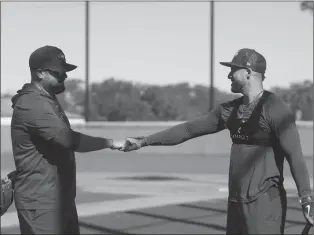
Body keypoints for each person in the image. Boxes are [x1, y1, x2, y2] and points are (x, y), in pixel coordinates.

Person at [120, 48, 313, 234]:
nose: (228, 75)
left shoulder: (275, 108)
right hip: (236, 203)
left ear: (248, 72)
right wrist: (143, 141)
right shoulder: (228, 110)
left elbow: (295, 156)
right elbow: (188, 129)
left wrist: (306, 199)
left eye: (232, 70)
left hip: (264, 204)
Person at [10, 45, 124, 234]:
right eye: (58, 72)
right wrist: (110, 143)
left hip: (59, 198)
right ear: (39, 73)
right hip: (41, 202)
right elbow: (68, 140)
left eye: (65, 71)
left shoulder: (46, 99)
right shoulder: (32, 104)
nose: (65, 76)